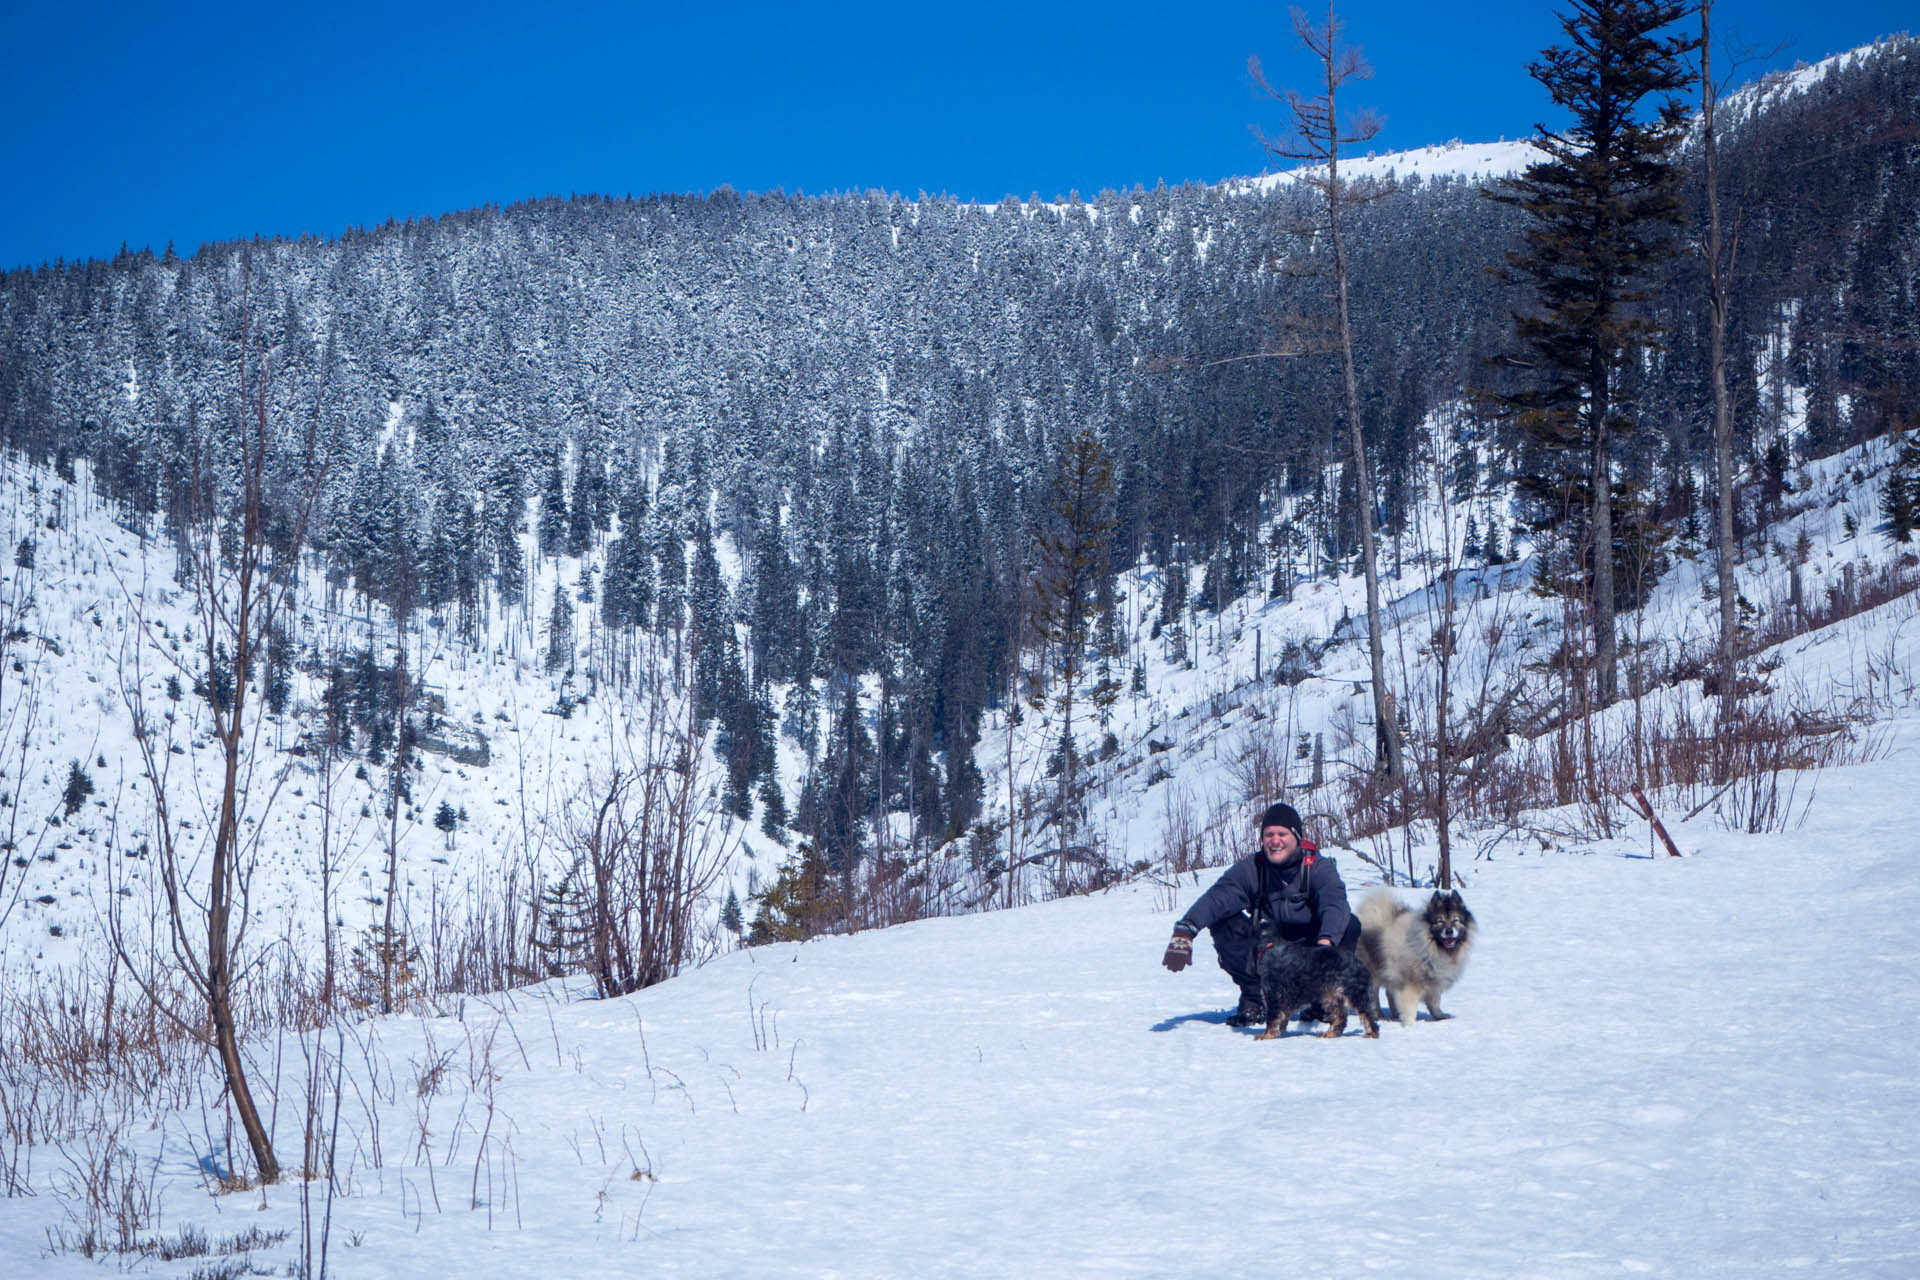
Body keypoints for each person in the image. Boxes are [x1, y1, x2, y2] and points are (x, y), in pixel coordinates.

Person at [1160, 801, 1361, 1027]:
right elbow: (1218, 897)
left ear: (1297, 837)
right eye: (1269, 834)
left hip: (1312, 951)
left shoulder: (1318, 867)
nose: (1275, 841)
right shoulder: (1253, 868)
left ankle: (1323, 1000)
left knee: (1349, 925)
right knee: (1224, 921)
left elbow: (1335, 905)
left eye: (1282, 834)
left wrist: (1325, 946)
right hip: (1271, 949)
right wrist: (1185, 930)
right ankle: (1256, 998)